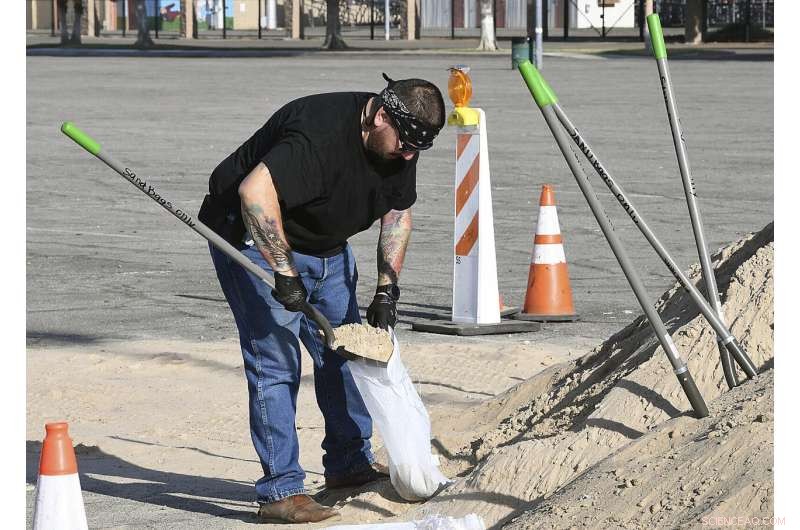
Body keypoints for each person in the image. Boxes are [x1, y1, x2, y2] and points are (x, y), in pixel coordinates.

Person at [198, 74, 446, 523]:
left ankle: (348, 465)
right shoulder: (318, 131)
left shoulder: (402, 140)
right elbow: (254, 192)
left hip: (328, 247)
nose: (407, 156)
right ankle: (280, 491)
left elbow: (398, 212)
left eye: (417, 149)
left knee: (343, 353)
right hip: (254, 240)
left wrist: (388, 287)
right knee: (275, 364)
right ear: (380, 115)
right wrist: (285, 271)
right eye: (404, 144)